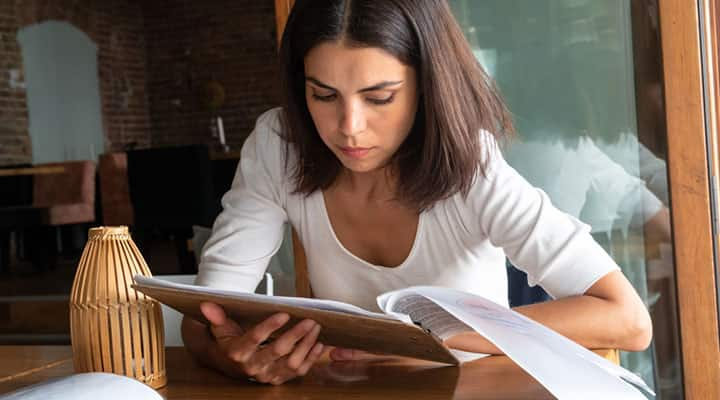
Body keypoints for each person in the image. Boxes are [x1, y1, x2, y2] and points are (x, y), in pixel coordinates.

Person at [181, 0, 652, 385]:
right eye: (323, 95)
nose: (349, 128)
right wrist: (234, 357)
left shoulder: (471, 164)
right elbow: (205, 314)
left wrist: (443, 338)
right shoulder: (279, 145)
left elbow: (627, 319)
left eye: (379, 97)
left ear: (427, 87)